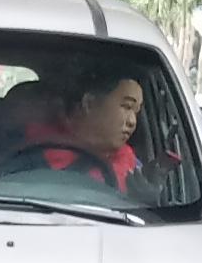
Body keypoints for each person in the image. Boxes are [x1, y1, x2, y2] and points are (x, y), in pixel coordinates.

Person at [24, 61, 145, 192]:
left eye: (136, 112)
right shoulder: (31, 152)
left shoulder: (133, 167)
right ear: (89, 104)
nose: (133, 121)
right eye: (126, 107)